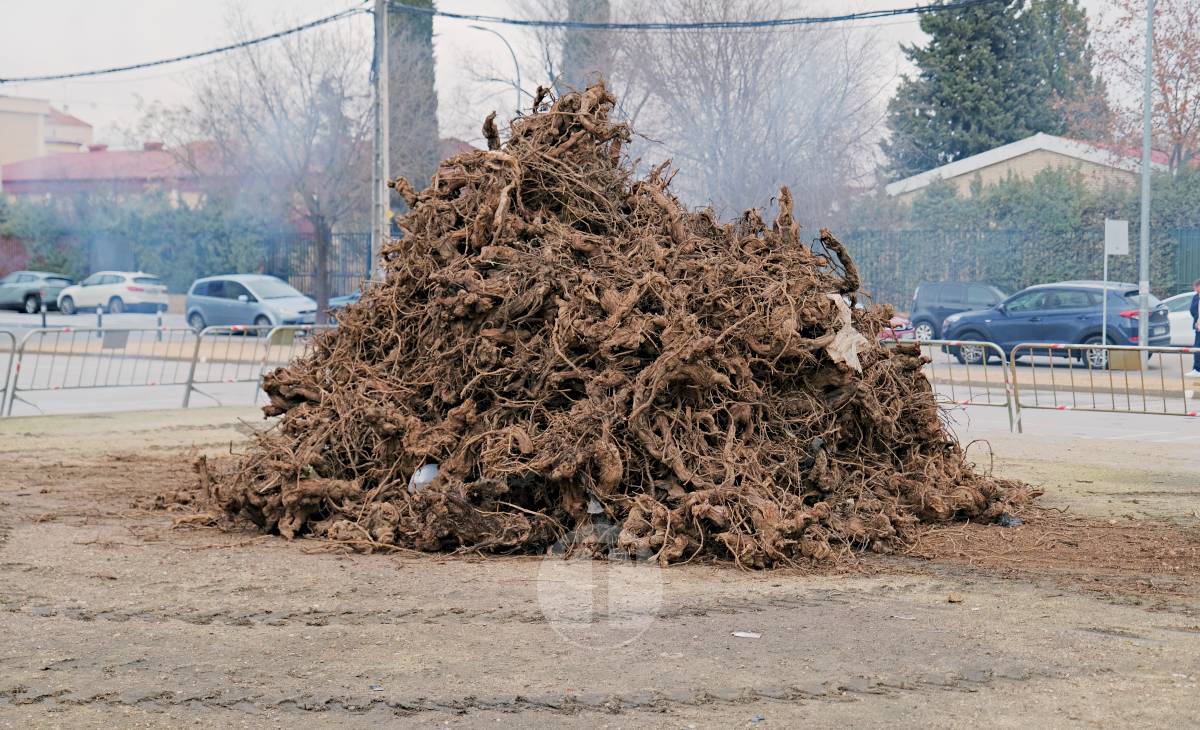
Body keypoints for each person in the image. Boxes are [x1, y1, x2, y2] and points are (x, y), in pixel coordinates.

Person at [1189, 278, 1200, 377]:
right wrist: (1197, 320)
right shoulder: (1196, 297)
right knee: (1197, 347)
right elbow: (1192, 309)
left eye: (1195, 287)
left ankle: (1197, 369)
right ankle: (1196, 368)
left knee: (1197, 347)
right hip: (1198, 327)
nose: (1194, 289)